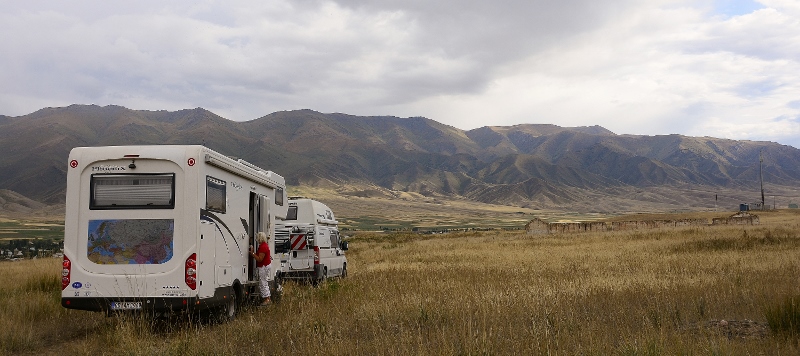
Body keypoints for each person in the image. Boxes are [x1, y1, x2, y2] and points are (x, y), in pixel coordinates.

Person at [249, 232, 272, 305]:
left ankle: (267, 299)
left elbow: (259, 259)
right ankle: (267, 298)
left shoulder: (263, 247)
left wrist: (252, 254)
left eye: (257, 238)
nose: (257, 240)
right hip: (265, 265)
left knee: (263, 282)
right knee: (264, 282)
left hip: (263, 266)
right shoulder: (264, 245)